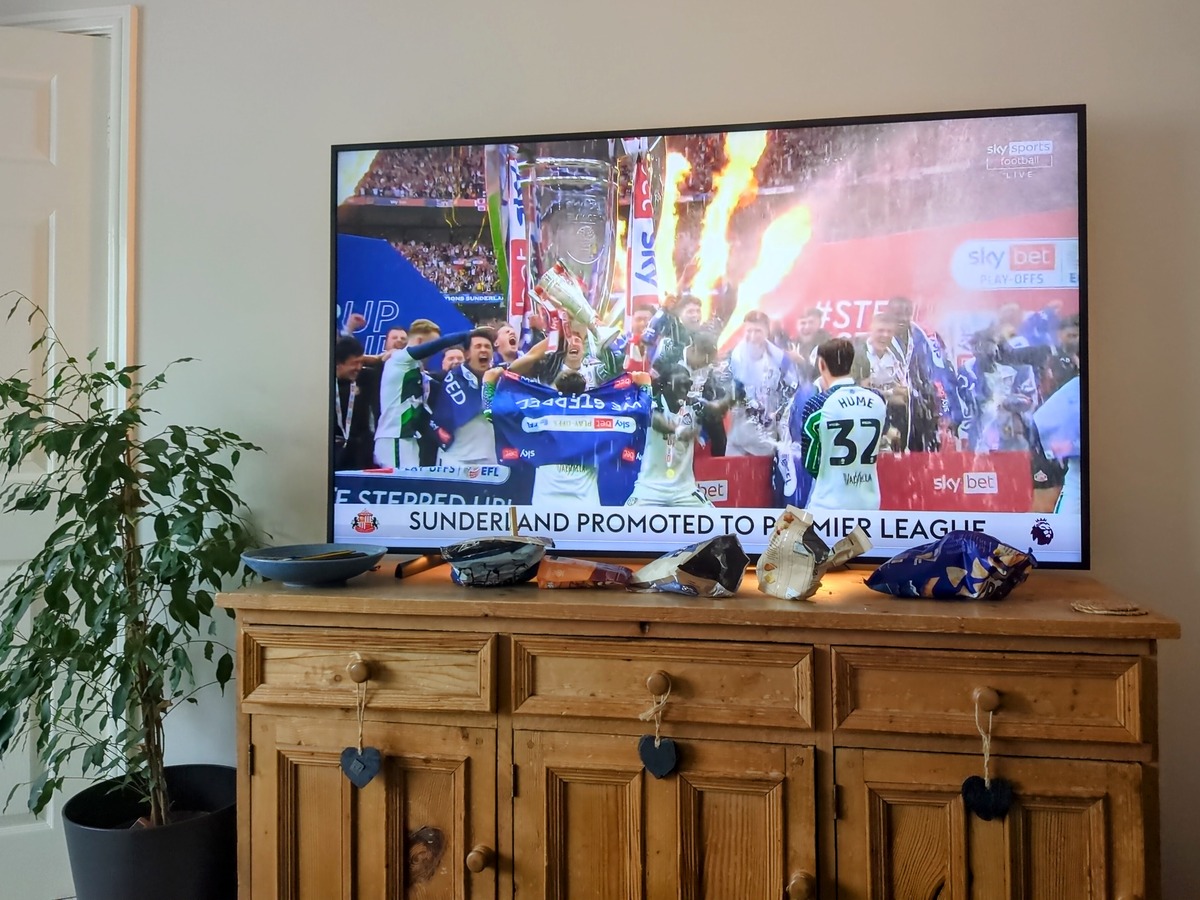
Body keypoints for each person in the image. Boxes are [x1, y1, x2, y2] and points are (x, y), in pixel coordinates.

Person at [799, 338, 888, 512]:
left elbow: (810, 462)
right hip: (869, 504)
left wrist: (834, 475)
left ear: (821, 365)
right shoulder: (878, 399)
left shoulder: (817, 404)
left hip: (828, 504)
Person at [374, 319, 470, 469]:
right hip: (394, 437)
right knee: (401, 487)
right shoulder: (399, 360)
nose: (433, 354)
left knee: (411, 486)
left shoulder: (416, 367)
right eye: (431, 346)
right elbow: (437, 345)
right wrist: (471, 334)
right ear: (420, 341)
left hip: (409, 438)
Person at [626, 364, 712, 507]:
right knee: (621, 524)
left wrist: (712, 414)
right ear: (664, 386)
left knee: (719, 524)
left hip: (685, 490)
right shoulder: (650, 404)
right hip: (650, 488)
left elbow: (714, 426)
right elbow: (656, 421)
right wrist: (678, 431)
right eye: (680, 384)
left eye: (688, 384)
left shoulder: (694, 408)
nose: (686, 389)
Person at [727, 310, 798, 456]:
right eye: (749, 331)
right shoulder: (733, 358)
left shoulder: (780, 359)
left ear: (767, 331)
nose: (752, 336)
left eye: (757, 331)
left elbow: (792, 391)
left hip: (766, 441)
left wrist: (776, 415)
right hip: (738, 440)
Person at [430, 328, 498, 466]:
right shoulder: (448, 378)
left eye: (487, 347)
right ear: (467, 354)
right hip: (454, 457)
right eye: (478, 346)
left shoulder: (500, 379)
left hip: (489, 458)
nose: (483, 350)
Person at [333, 335, 378, 470]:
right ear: (338, 363)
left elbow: (384, 361)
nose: (359, 367)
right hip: (333, 452)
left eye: (361, 362)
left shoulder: (366, 378)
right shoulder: (322, 382)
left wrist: (377, 358)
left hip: (360, 454)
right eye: (354, 363)